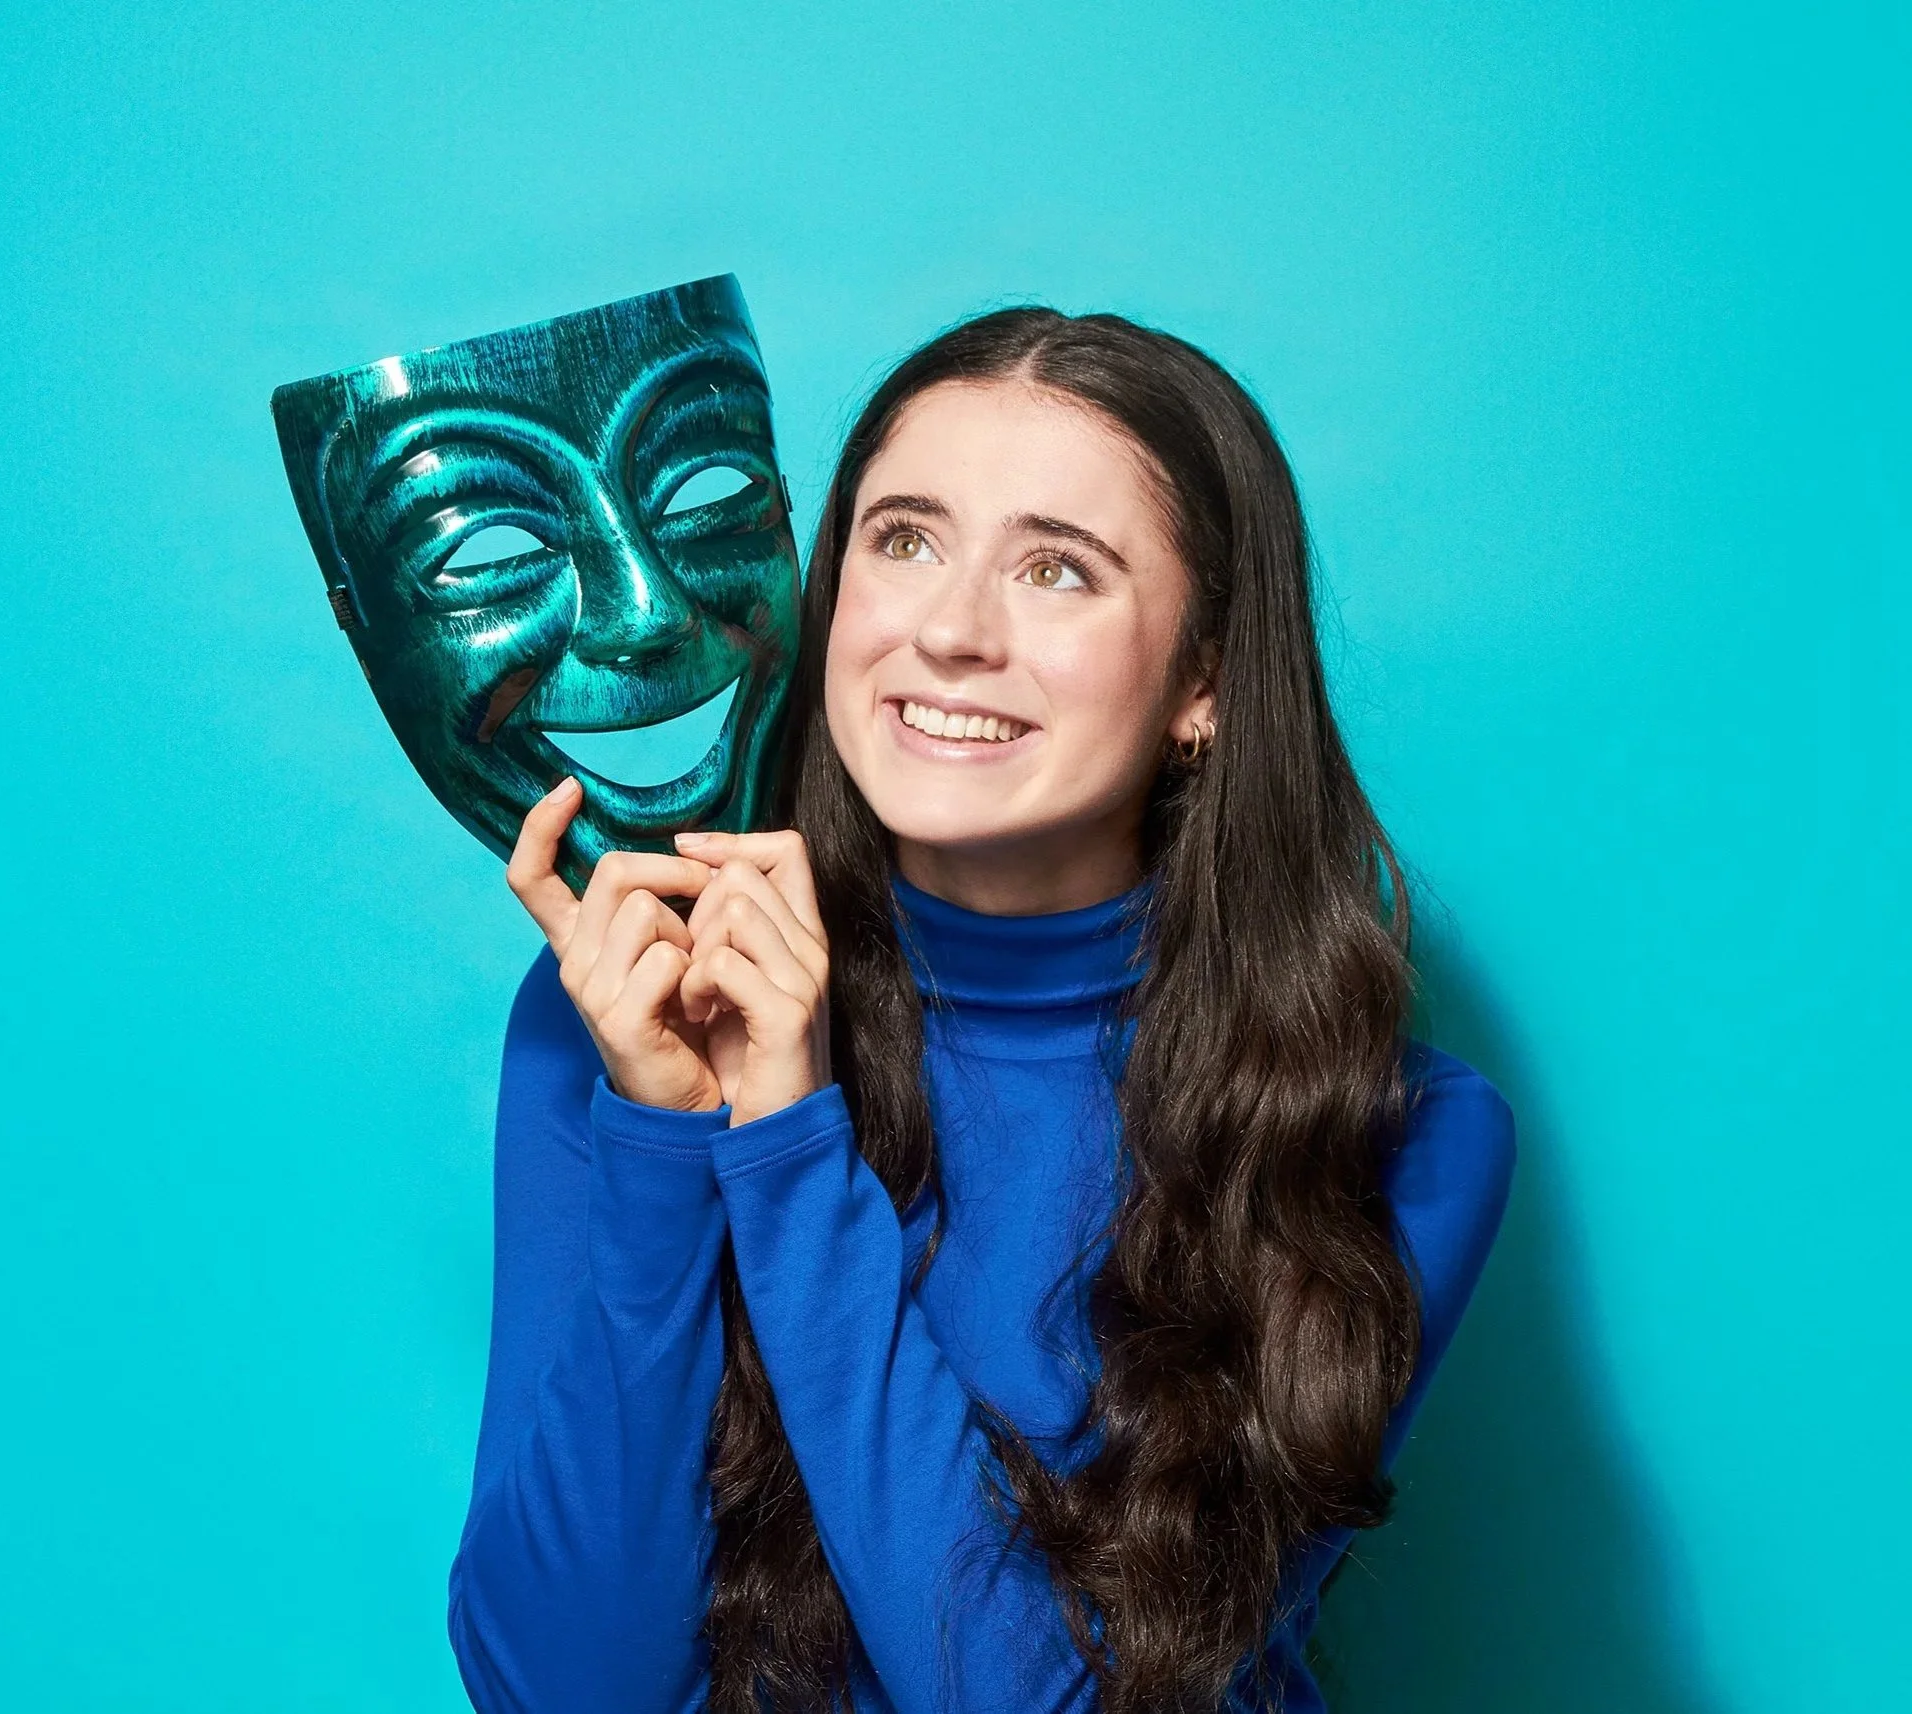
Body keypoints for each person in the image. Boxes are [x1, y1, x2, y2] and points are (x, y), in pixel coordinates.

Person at [446, 308, 1516, 1713]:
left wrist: (784, 1143)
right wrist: (663, 1132)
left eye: (1056, 570)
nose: (949, 631)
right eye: (901, 540)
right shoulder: (624, 1008)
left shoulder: (1395, 1138)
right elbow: (559, 1689)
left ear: (1203, 680)